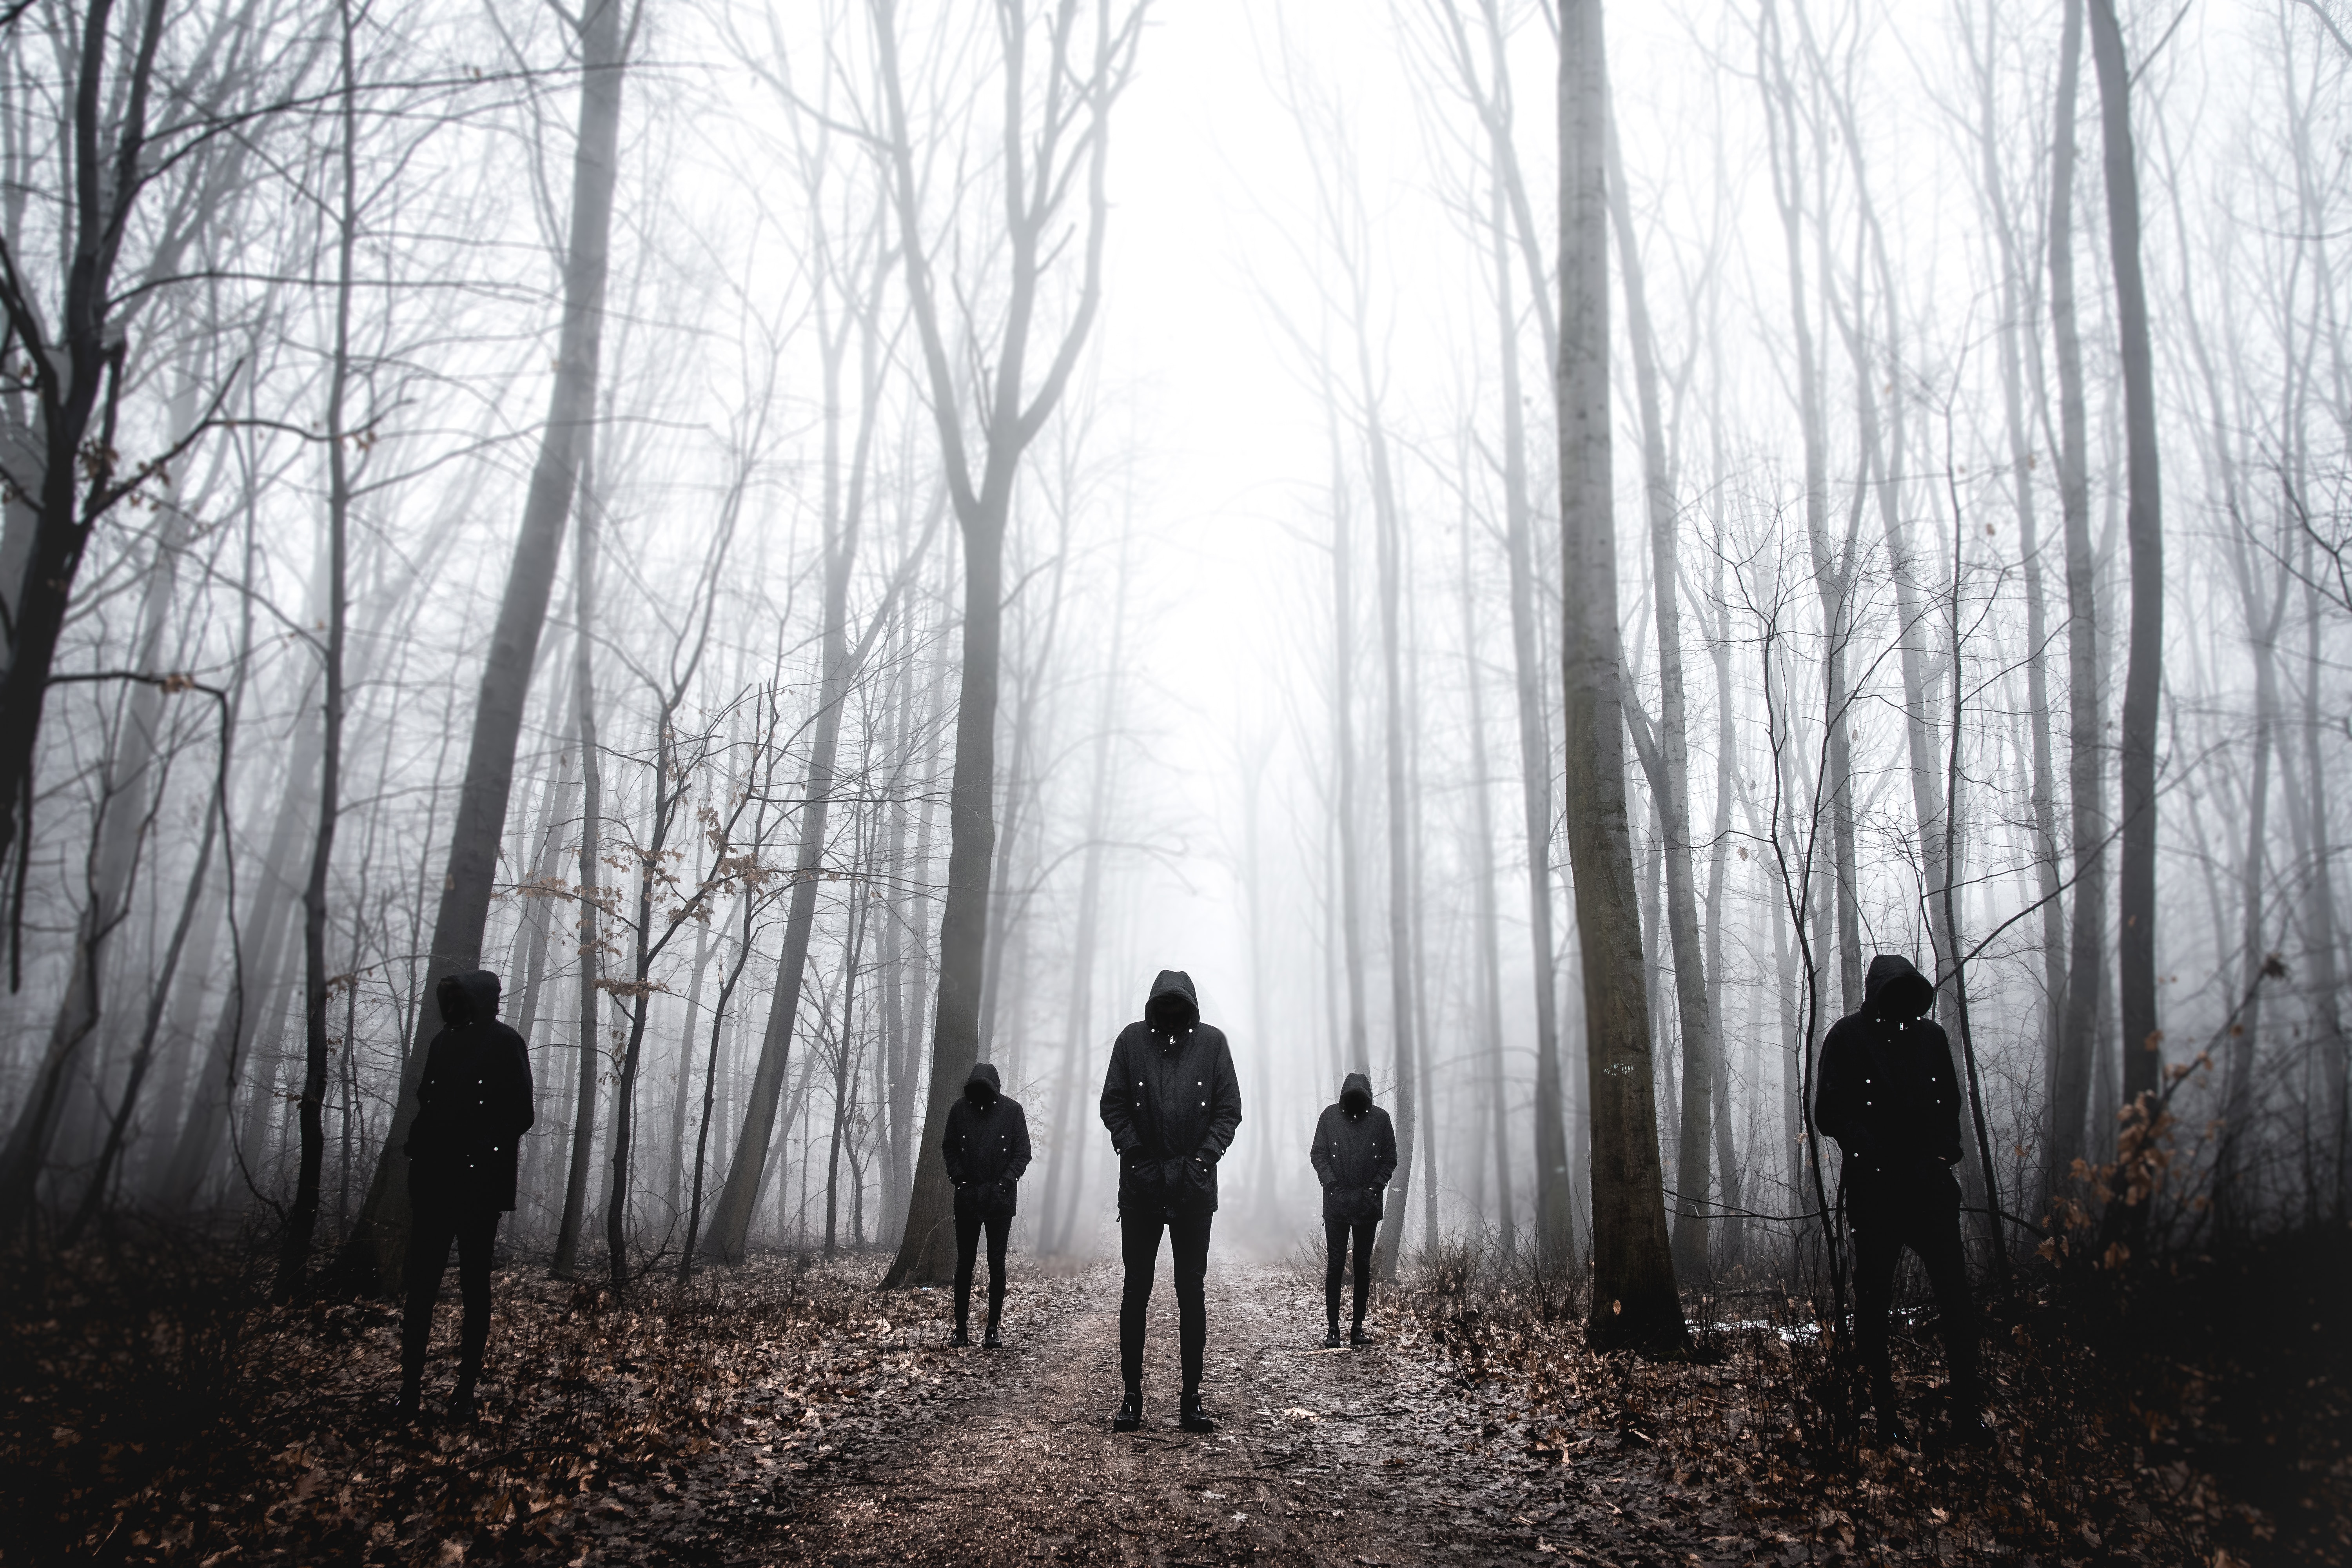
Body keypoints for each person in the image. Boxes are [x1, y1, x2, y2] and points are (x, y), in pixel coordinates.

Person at [1814, 953, 1990, 1447]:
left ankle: (1967, 1413)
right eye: (1892, 992)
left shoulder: (1931, 1038)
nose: (1900, 1003)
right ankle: (1885, 1415)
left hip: (1930, 1189)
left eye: (1907, 992)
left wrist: (1942, 1154)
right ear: (1875, 992)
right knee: (1874, 1303)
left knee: (1956, 1299)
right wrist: (1868, 1146)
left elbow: (1951, 1102)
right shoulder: (1847, 1038)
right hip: (1875, 1191)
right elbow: (1828, 1110)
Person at [1098, 969, 1242, 1434]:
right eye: (1167, 1006)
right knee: (1136, 1289)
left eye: (1181, 1007)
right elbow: (1113, 1104)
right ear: (1155, 1005)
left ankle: (1191, 1398)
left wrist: (1203, 1160)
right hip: (1140, 1188)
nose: (1174, 1014)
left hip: (1194, 1190)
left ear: (1192, 1007)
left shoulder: (1214, 1045)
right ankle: (1131, 1396)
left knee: (1191, 1293)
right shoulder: (1131, 1042)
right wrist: (1137, 1155)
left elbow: (1229, 1109)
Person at [398, 969, 534, 1420]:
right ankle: (409, 1391)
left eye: (462, 999)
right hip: (435, 1181)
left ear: (483, 1000)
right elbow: (427, 1098)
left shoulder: (506, 1042)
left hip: (479, 1187)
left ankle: (464, 1394)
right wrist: (421, 1145)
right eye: (450, 1000)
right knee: (420, 1289)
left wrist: (480, 1151)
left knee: (475, 1289)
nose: (454, 1007)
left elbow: (521, 1112)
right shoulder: (441, 1043)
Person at [940, 1061, 1031, 1348]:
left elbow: (1023, 1152)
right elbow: (950, 1147)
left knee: (996, 1263)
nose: (980, 1095)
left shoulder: (1012, 1111)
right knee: (965, 1264)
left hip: (999, 1199)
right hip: (968, 1198)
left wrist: (1006, 1181)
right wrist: (961, 1180)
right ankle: (960, 1329)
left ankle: (993, 1329)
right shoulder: (959, 1110)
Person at [1310, 1071, 1396, 1348]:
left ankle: (1357, 1328)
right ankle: (1333, 1329)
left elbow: (1389, 1158)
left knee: (1362, 1265)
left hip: (1366, 1204)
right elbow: (1318, 1153)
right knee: (1336, 1265)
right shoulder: (1329, 1117)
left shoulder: (1381, 1120)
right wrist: (1332, 1184)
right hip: (1337, 1202)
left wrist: (1374, 1188)